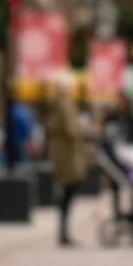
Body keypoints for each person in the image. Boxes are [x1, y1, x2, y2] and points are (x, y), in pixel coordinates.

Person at [45, 75, 88, 247]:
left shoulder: (56, 103)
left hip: (61, 155)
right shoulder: (64, 104)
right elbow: (71, 129)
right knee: (68, 193)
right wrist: (85, 132)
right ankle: (64, 233)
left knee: (66, 193)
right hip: (68, 155)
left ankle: (63, 232)